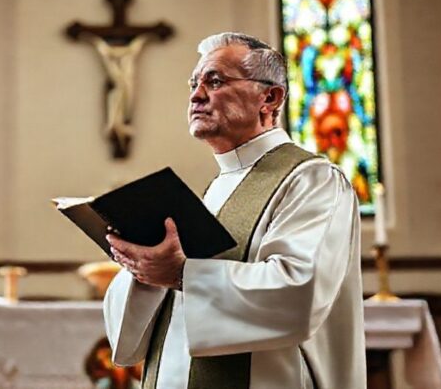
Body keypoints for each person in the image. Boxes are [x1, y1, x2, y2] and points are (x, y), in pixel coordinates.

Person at [103, 32, 366, 389]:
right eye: (194, 83)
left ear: (269, 98)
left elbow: (298, 292)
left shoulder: (313, 180)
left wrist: (181, 275)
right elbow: (144, 330)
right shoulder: (213, 190)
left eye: (214, 81)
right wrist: (142, 270)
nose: (196, 95)